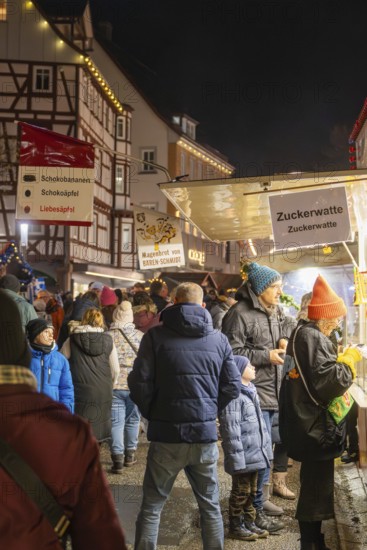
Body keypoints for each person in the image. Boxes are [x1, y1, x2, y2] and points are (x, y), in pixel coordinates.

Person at [0, 289, 126, 549]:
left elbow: (67, 384)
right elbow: (101, 538)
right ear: (21, 346)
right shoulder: (68, 435)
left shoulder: (62, 353)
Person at [128, 282, 241, 550]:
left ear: (174, 303)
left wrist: (152, 413)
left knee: (152, 506)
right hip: (203, 436)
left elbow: (139, 383)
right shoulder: (219, 339)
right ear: (202, 306)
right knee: (210, 506)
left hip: (166, 434)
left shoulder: (154, 338)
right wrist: (209, 411)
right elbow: (232, 386)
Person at [279, 275, 362, 550]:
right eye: (336, 318)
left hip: (305, 421)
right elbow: (328, 382)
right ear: (325, 317)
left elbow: (315, 374)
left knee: (314, 484)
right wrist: (348, 362)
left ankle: (313, 539)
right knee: (315, 489)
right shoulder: (313, 337)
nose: (337, 323)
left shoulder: (303, 333)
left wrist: (336, 359)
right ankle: (311, 544)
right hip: (315, 427)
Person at [222, 260, 290, 528]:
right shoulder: (239, 314)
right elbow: (230, 354)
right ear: (260, 287)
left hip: (274, 391)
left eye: (280, 286)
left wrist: (284, 340)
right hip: (252, 395)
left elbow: (284, 329)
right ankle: (253, 510)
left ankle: (258, 503)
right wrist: (266, 355)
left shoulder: (273, 310)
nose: (279, 292)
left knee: (265, 453)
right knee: (254, 456)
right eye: (274, 286)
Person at [219, 355, 272, 541]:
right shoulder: (234, 395)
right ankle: (236, 525)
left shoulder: (251, 391)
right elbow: (231, 430)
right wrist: (236, 459)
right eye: (249, 365)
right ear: (239, 370)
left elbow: (259, 427)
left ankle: (249, 522)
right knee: (240, 492)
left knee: (252, 491)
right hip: (243, 457)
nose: (254, 367)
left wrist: (265, 451)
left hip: (255, 454)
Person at [61, 308, 119, 443]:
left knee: (82, 424)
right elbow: (115, 369)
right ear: (101, 321)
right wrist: (112, 384)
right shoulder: (108, 340)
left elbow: (62, 361)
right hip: (103, 389)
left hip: (80, 388)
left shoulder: (72, 340)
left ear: (84, 320)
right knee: (100, 424)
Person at [107, 301, 144, 472]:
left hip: (113, 385)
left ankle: (117, 460)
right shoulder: (140, 336)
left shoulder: (107, 336)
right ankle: (130, 455)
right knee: (133, 420)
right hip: (135, 385)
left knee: (116, 422)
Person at [26, 318, 74, 412]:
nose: (51, 335)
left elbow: (66, 390)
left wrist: (66, 415)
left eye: (52, 332)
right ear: (35, 334)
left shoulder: (60, 360)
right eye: (46, 332)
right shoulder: (23, 358)